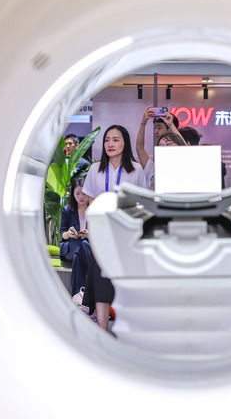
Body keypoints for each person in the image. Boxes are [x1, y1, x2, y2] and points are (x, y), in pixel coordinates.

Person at [81, 125, 148, 331]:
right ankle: (102, 329)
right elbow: (91, 200)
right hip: (102, 231)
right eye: (107, 140)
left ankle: (127, 326)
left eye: (116, 140)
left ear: (125, 143)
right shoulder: (95, 169)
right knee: (101, 279)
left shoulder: (136, 170)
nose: (110, 144)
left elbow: (141, 202)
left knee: (125, 281)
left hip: (127, 233)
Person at [59, 176, 92, 296]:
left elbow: (99, 235)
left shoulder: (94, 210)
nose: (81, 197)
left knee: (78, 256)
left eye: (84, 193)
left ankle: (78, 295)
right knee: (82, 245)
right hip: (70, 247)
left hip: (85, 247)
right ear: (73, 194)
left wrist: (89, 235)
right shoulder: (67, 210)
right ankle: (93, 273)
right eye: (77, 193)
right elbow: (62, 234)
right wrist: (69, 234)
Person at [136, 107, 184, 187]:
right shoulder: (153, 168)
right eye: (161, 146)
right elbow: (139, 148)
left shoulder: (183, 164)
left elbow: (184, 148)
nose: (156, 131)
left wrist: (171, 125)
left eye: (159, 127)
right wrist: (143, 124)